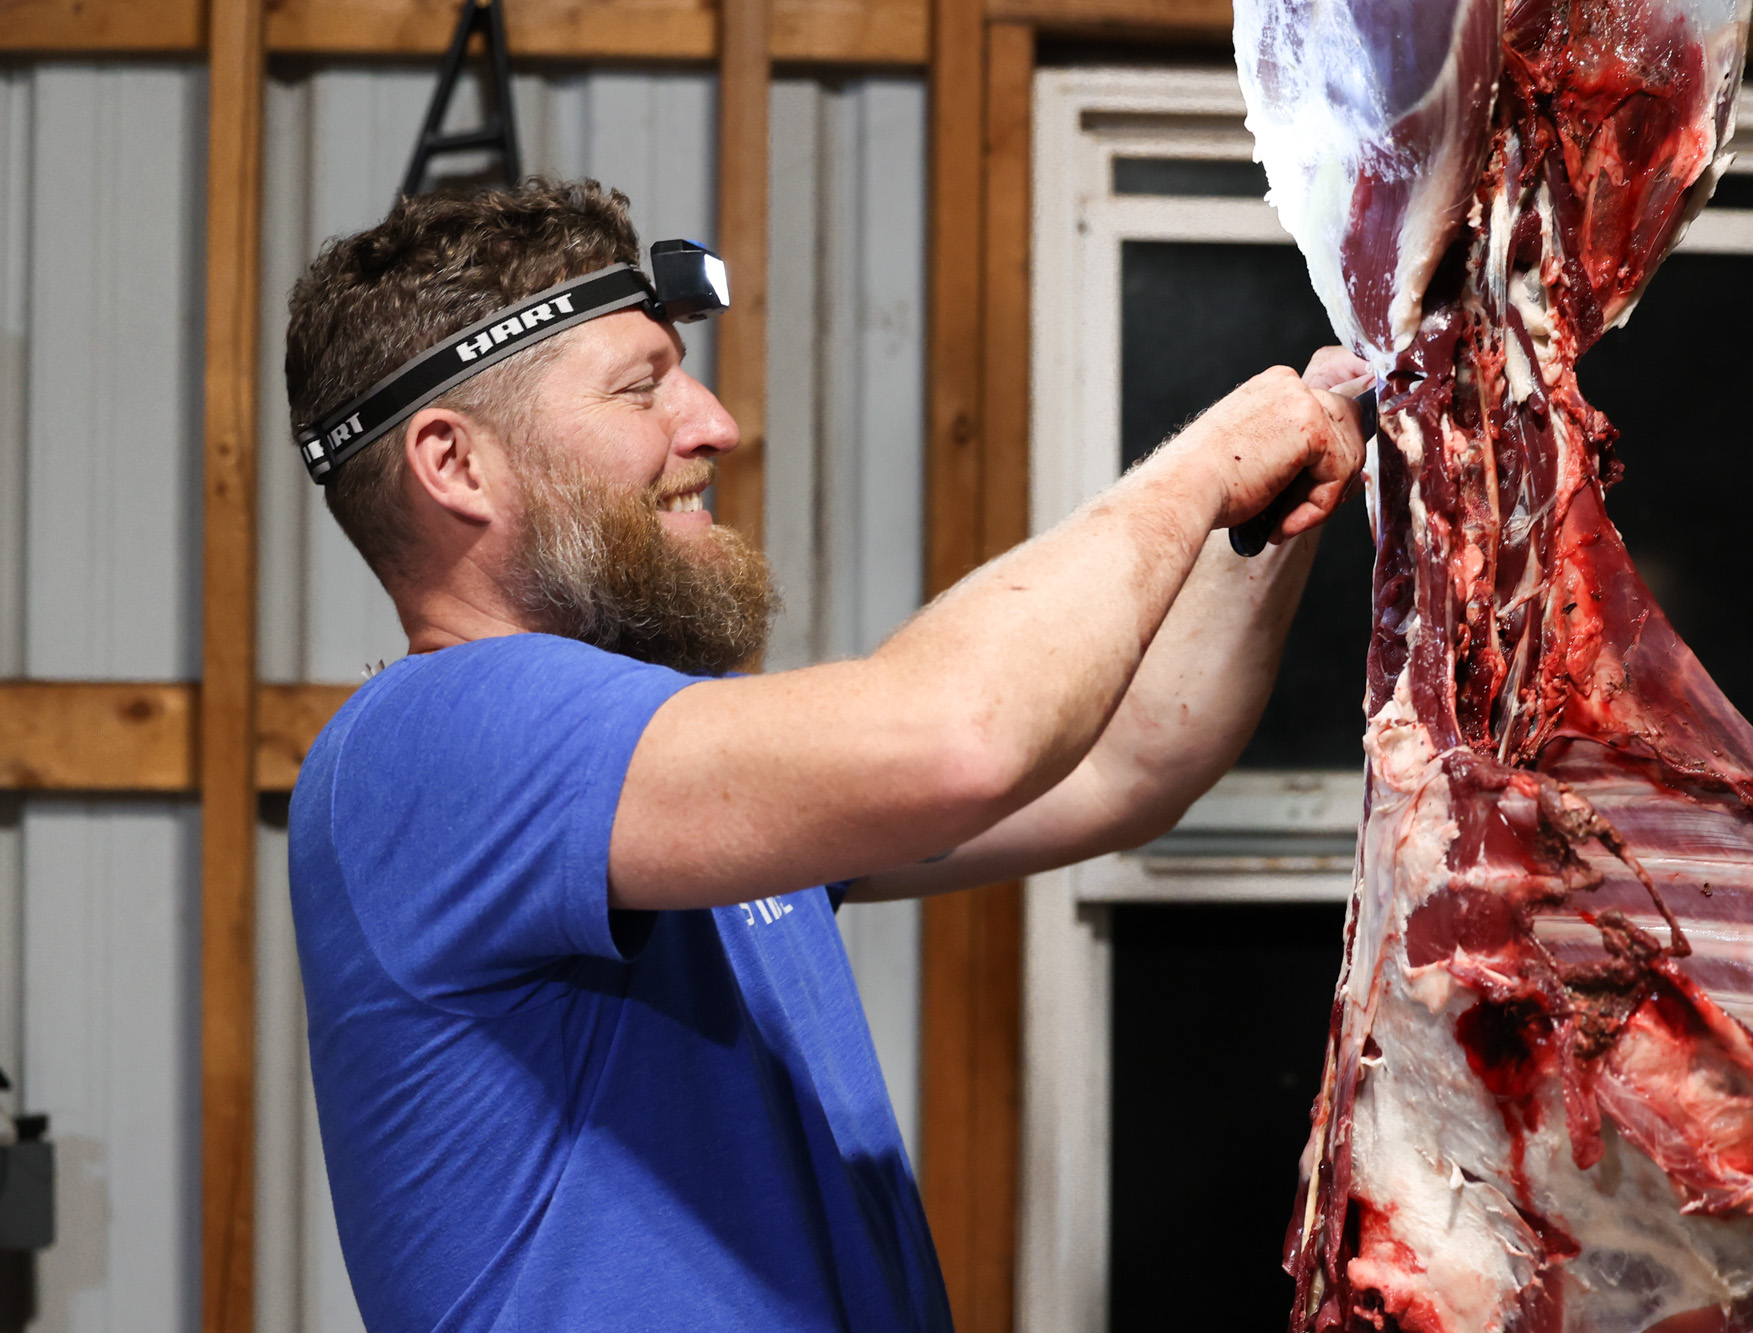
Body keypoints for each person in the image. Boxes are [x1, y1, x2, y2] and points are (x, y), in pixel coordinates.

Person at [283, 177, 1366, 1332]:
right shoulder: (438, 740)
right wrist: (1202, 464)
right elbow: (962, 735)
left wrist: (1265, 507)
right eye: (640, 388)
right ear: (453, 464)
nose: (710, 424)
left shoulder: (650, 767)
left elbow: (1125, 763)